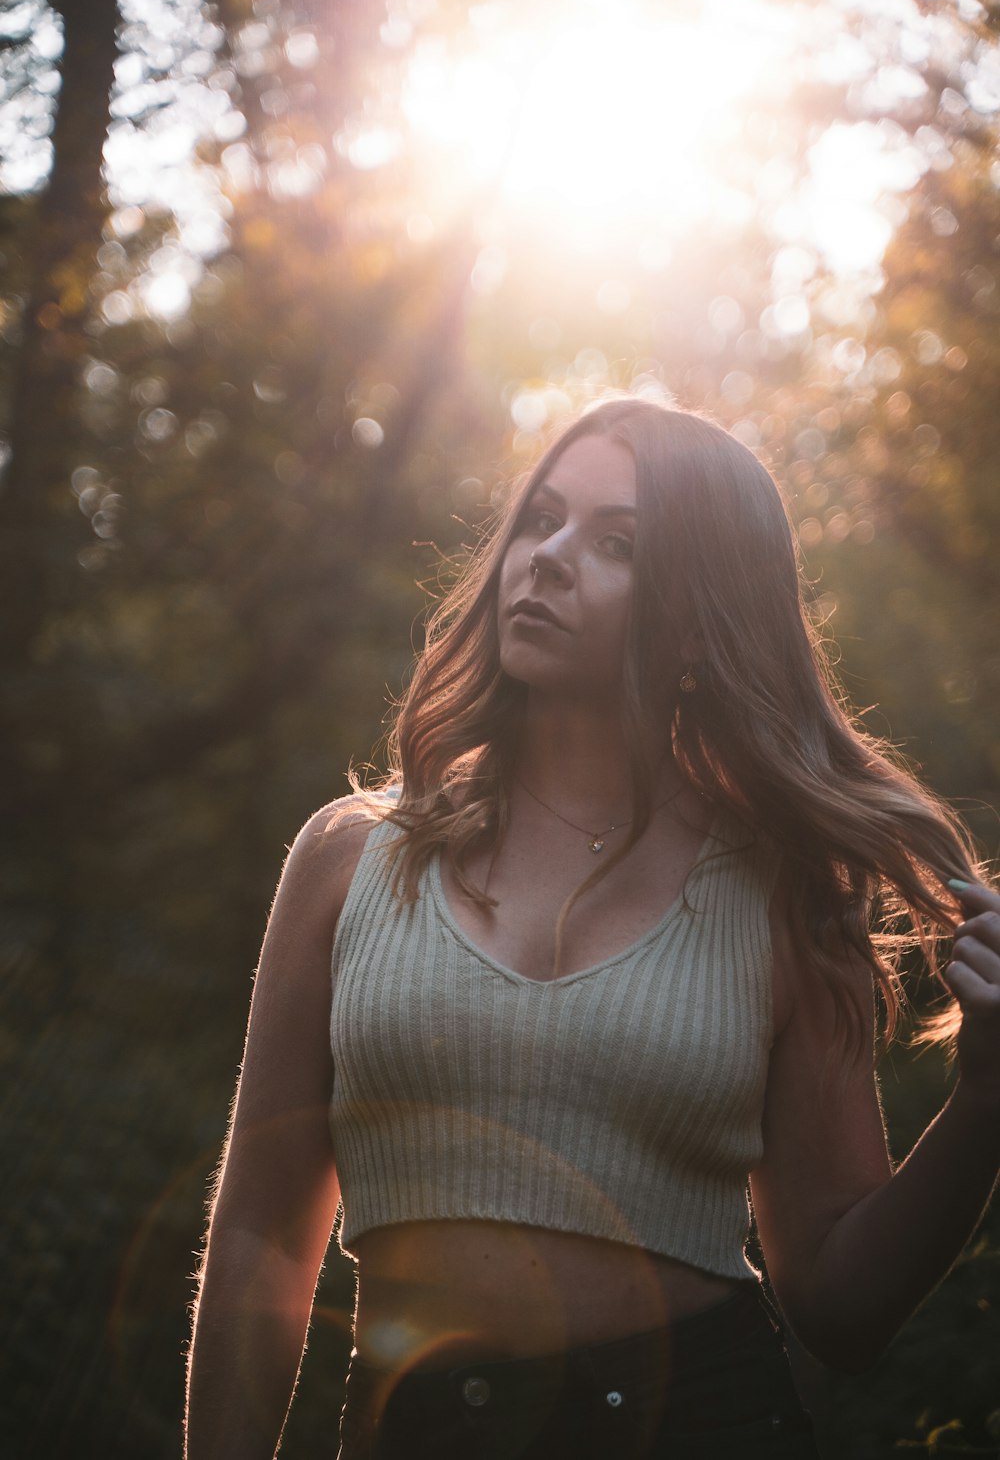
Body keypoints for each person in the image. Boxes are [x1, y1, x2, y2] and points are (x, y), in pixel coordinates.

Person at [184, 397, 1000, 1460]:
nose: (550, 558)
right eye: (541, 520)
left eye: (616, 543)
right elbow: (257, 1236)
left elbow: (842, 1309)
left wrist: (986, 1102)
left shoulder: (785, 892)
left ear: (704, 622)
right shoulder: (350, 856)